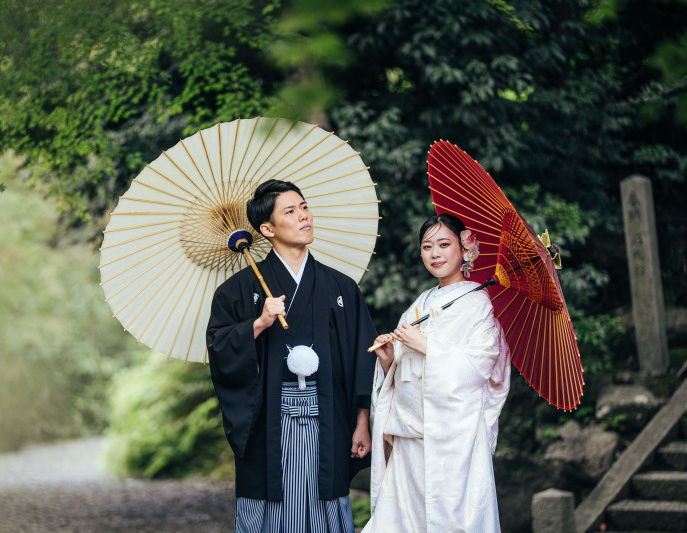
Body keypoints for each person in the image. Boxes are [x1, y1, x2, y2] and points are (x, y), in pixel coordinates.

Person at [206, 179, 378, 533]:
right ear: (266, 229)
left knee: (324, 502)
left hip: (329, 419)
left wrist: (362, 421)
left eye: (304, 207)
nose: (304, 216)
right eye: (290, 211)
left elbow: (364, 355)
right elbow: (220, 348)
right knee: (271, 506)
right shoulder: (237, 291)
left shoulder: (341, 287)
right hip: (270, 422)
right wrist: (258, 323)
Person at [363, 213, 511, 533]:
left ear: (465, 248)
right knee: (404, 521)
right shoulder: (422, 302)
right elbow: (405, 370)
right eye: (427, 246)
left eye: (444, 244)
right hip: (410, 433)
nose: (435, 254)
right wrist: (389, 360)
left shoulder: (477, 304)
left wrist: (428, 346)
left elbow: (483, 365)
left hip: (453, 439)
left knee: (452, 521)